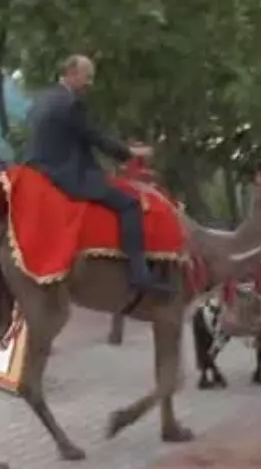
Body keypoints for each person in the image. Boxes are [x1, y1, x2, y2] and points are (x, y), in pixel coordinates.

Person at [22, 55, 167, 295]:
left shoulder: (44, 99)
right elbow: (95, 137)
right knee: (130, 205)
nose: (90, 83)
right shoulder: (70, 104)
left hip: (40, 172)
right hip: (65, 176)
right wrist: (131, 152)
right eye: (87, 77)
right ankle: (139, 273)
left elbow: (73, 143)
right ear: (70, 72)